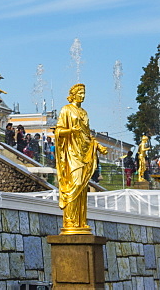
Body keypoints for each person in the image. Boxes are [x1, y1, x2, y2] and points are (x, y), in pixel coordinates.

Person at [54, 83, 108, 234]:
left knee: (83, 187)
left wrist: (97, 146)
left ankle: (80, 221)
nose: (83, 96)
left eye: (84, 93)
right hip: (72, 152)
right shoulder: (66, 109)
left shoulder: (84, 112)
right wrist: (71, 130)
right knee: (75, 184)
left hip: (84, 152)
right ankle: (69, 220)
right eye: (80, 93)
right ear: (73, 94)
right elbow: (58, 131)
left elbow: (87, 135)